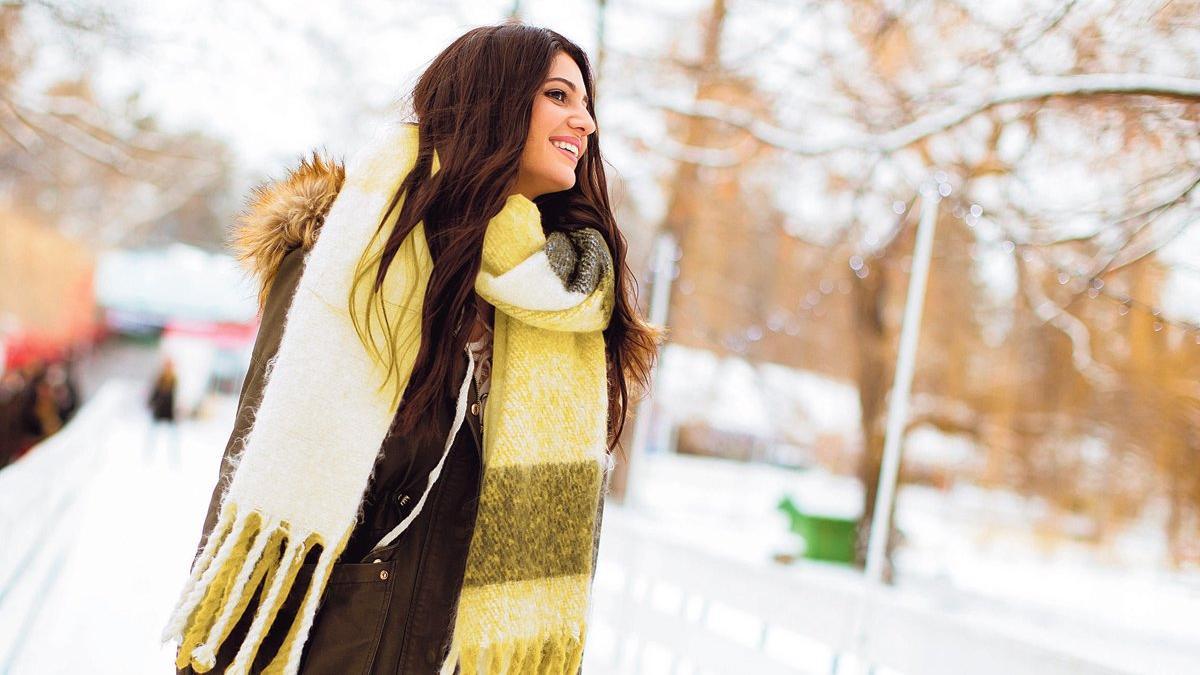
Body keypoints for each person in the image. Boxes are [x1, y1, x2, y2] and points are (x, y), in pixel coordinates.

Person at [165, 22, 662, 675]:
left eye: (586, 102)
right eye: (559, 95)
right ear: (495, 100)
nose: (586, 121)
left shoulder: (564, 306)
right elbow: (260, 458)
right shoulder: (352, 253)